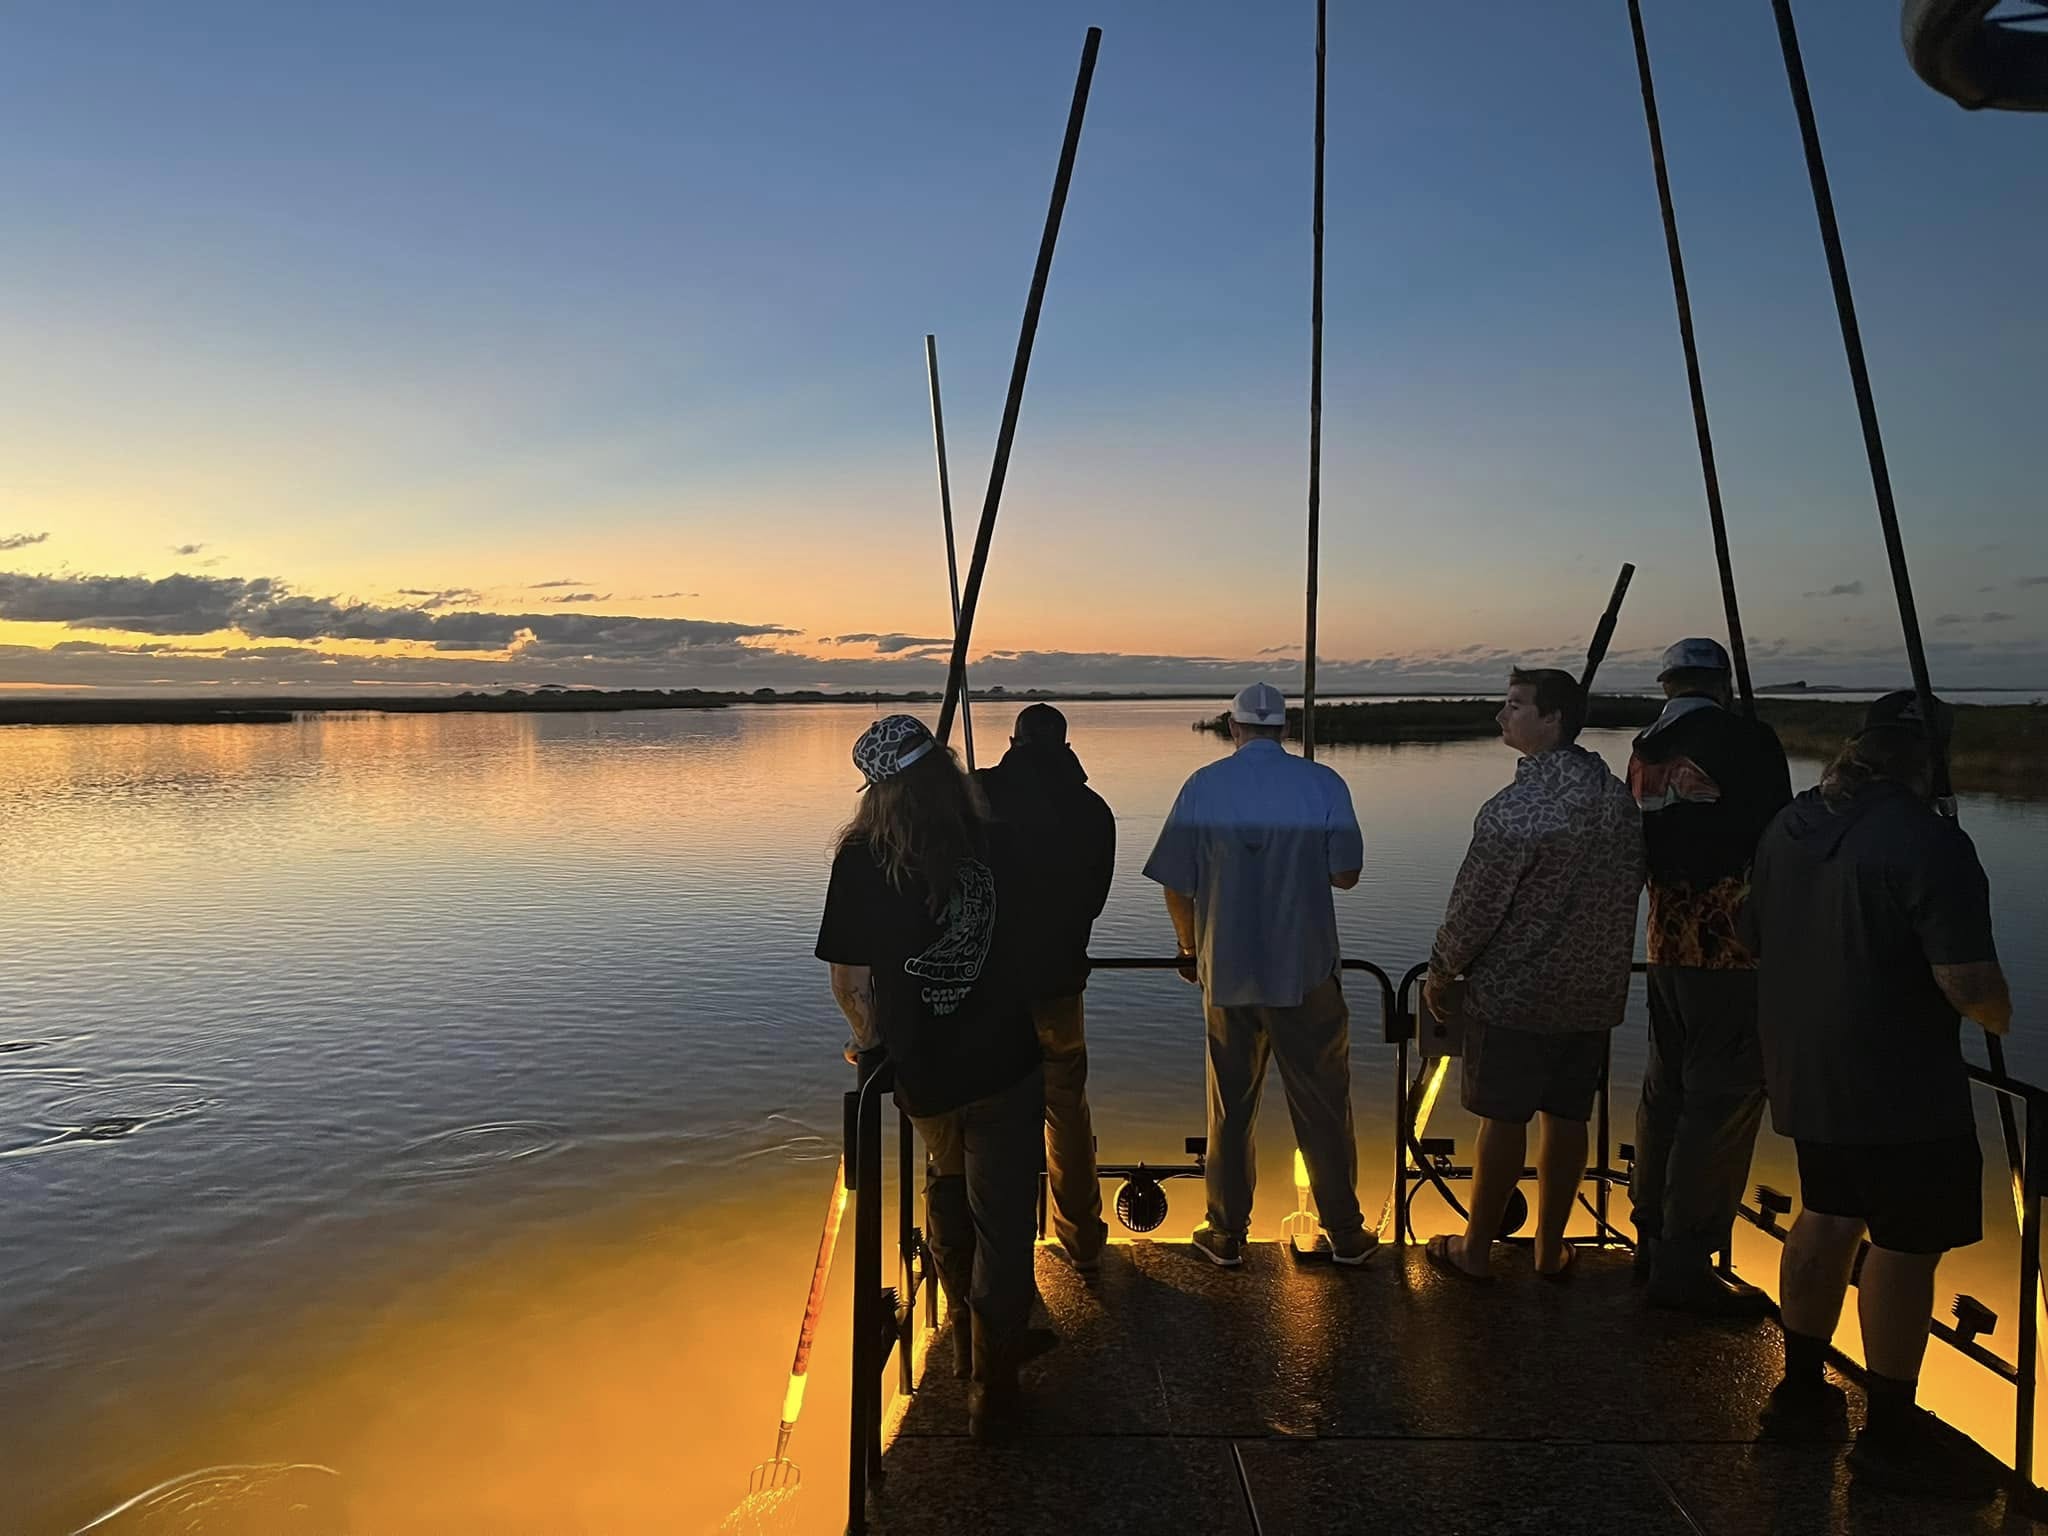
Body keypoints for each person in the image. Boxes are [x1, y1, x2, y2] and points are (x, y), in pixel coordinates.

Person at [1743, 691, 2012, 1499]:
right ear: (1930, 761)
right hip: (1901, 1082)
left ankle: (1799, 1393)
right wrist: (1998, 1012)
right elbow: (1972, 986)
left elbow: (1752, 933)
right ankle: (1892, 1431)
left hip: (1806, 1070)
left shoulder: (1787, 827)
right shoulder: (1931, 841)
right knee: (1902, 1243)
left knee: (1825, 1215)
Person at [815, 714, 1048, 1441]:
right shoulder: (1002, 842)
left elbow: (850, 977)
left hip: (924, 1067)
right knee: (1004, 1221)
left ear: (876, 792)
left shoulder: (859, 857)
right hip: (1006, 1058)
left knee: (947, 1190)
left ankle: (964, 1341)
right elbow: (1035, 942)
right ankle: (992, 1379)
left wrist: (869, 1042)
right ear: (945, 771)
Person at [1142, 681, 1375, 1268]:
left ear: (1234, 726)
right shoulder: (1323, 783)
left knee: (1230, 1105)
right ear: (1285, 729)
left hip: (1227, 971)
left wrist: (1188, 947)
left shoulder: (1203, 787)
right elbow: (1346, 874)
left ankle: (1225, 1233)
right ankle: (1345, 1231)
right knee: (1323, 1102)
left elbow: (1176, 881)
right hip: (1307, 972)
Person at [1422, 668, 1644, 1282]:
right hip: (1593, 995)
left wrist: (1441, 973)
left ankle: (1476, 1250)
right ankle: (1549, 1248)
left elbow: (1473, 910)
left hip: (1518, 994)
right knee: (1569, 1117)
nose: (1501, 716)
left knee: (1503, 1118)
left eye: (1515, 706)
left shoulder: (1515, 812)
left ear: (1553, 720)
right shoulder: (1617, 802)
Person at [1626, 638, 1792, 1316]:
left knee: (1665, 1091)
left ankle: (1650, 1238)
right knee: (1718, 1104)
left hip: (1665, 937)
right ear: (1720, 684)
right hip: (1731, 945)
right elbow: (1778, 832)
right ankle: (1684, 1268)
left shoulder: (1643, 750)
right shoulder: (1748, 739)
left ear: (1668, 684)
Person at [976, 703, 1115, 1275]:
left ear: (1013, 740)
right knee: (1066, 1110)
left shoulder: (979, 798)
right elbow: (1095, 900)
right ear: (1064, 743)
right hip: (1060, 981)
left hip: (988, 990)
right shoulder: (1093, 811)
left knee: (989, 1118)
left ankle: (997, 1254)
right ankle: (1080, 1240)